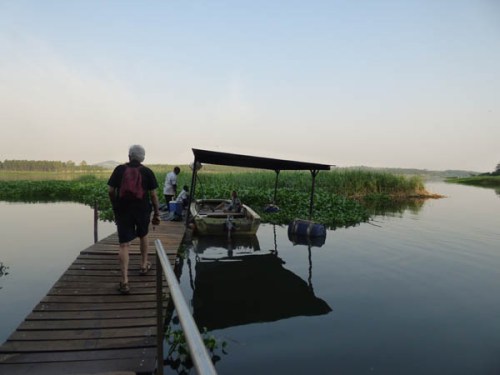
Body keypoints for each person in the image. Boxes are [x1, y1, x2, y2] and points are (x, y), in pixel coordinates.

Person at [108, 145, 161, 294]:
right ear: (143, 157)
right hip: (142, 209)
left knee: (124, 244)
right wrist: (157, 213)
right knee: (143, 235)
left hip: (123, 210)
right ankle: (144, 265)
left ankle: (124, 281)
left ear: (129, 155)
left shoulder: (119, 170)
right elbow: (153, 196)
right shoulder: (147, 172)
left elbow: (111, 191)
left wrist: (115, 206)